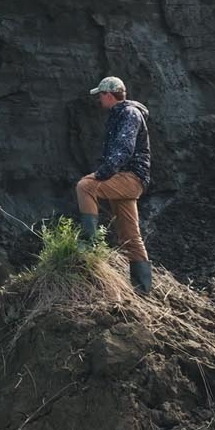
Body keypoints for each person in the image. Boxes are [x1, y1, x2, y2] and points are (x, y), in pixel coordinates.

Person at [76, 76, 153, 294]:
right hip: (127, 178)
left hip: (130, 177)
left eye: (100, 95)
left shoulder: (129, 114)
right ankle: (143, 289)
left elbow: (124, 149)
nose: (99, 100)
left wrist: (102, 173)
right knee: (130, 236)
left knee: (85, 186)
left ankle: (89, 246)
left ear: (109, 95)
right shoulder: (121, 114)